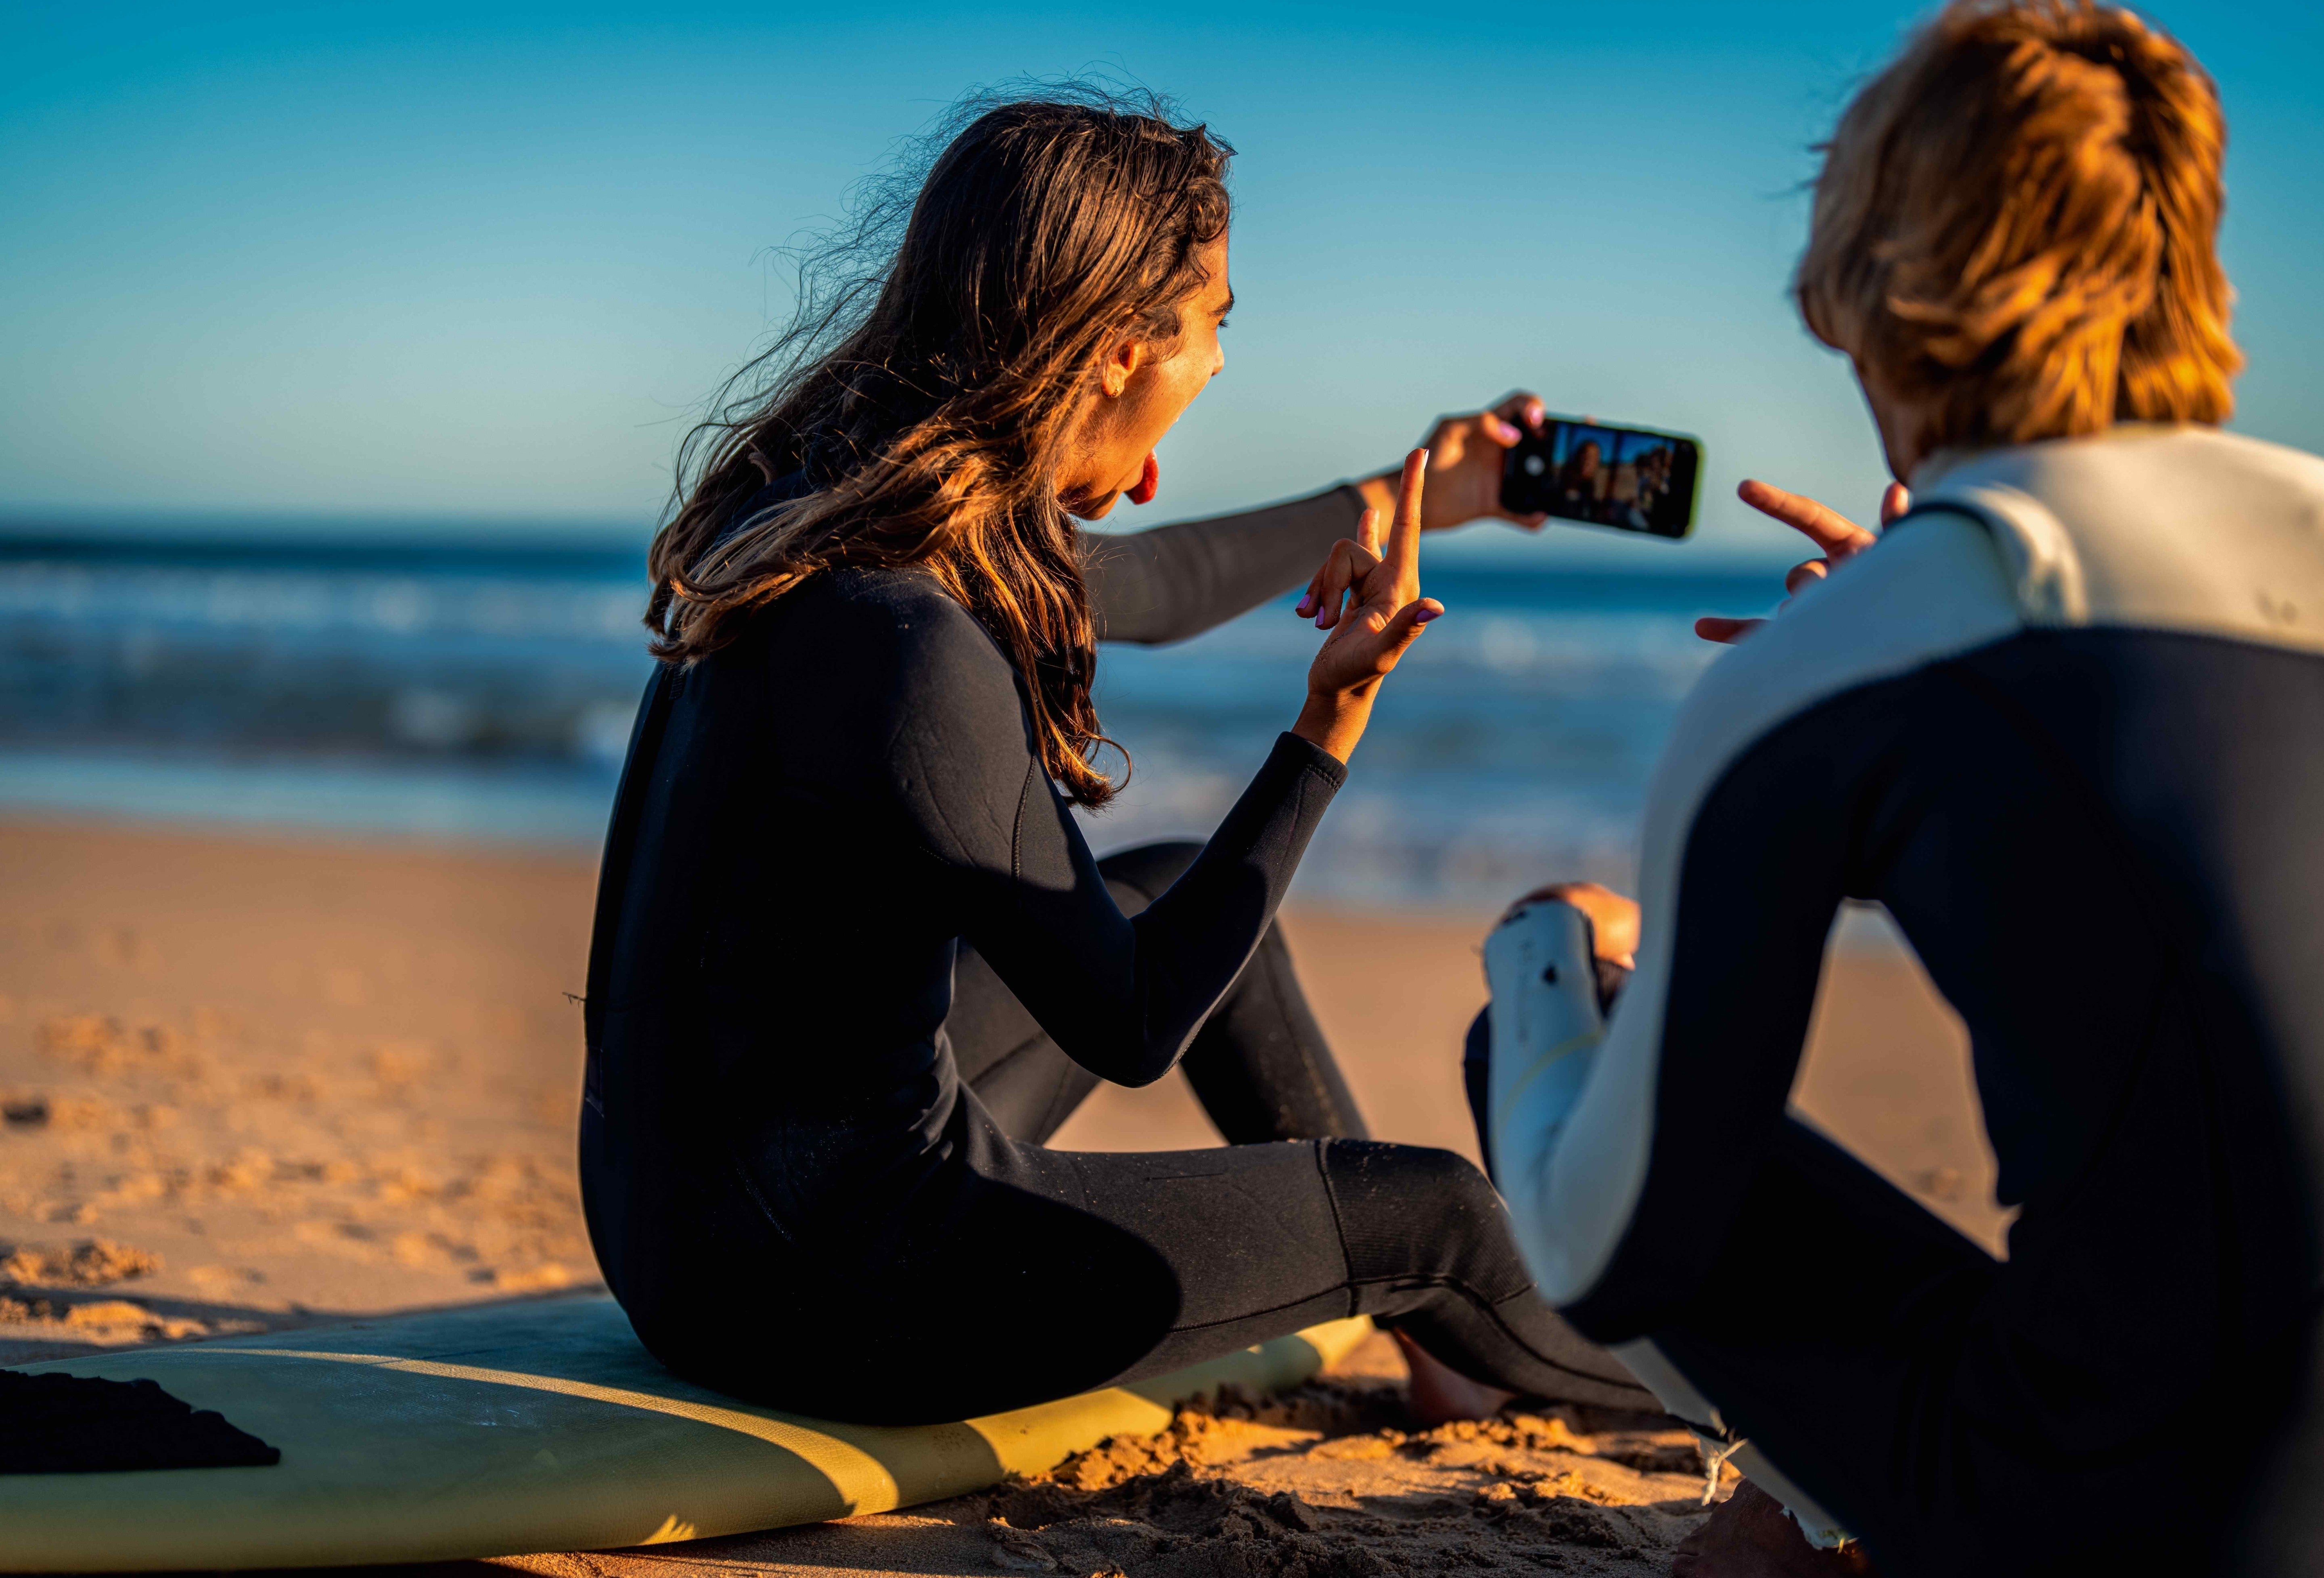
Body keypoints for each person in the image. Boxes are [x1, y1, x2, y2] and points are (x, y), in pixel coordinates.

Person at [579, 90, 1656, 1429]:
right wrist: (1329, 726)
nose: (1218, 366)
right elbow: (1133, 1025)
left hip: (683, 1237)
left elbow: (1166, 579)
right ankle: (1765, 1407)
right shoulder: (908, 641)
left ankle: (1451, 1355)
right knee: (1431, 1212)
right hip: (826, 1285)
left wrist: (1428, 490)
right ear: (1117, 349)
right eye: (1216, 324)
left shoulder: (826, 525)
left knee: (1187, 887)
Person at [1472, 4, 2324, 1574]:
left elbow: (1609, 1255)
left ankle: (1815, 1515)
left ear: (1870, 293)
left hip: (2132, 1520)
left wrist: (1541, 951)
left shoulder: (1833, 674)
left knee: (1550, 1030)